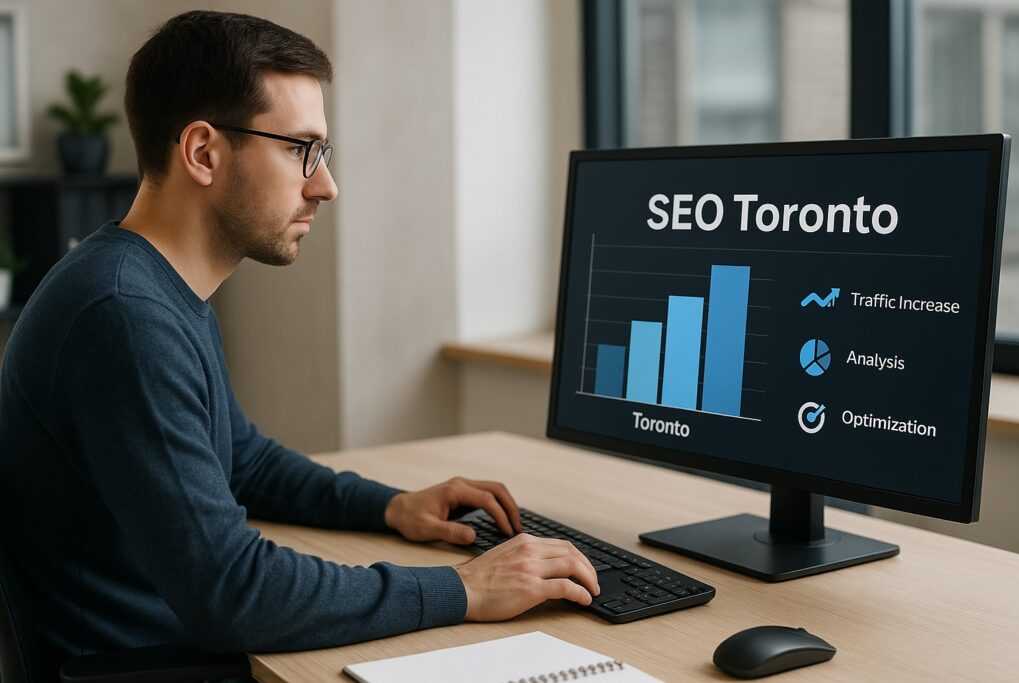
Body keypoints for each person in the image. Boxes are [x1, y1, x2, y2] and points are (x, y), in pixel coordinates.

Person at [0, 9, 598, 677]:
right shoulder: (122, 315)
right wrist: (466, 588)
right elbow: (232, 592)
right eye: (299, 149)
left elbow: (241, 459)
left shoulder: (152, 286)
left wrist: (392, 505)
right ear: (202, 152)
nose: (326, 184)